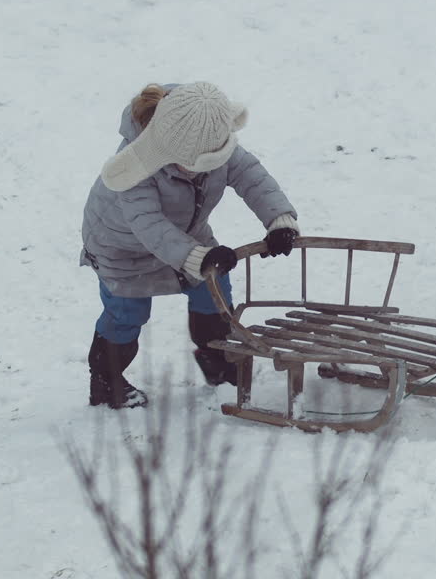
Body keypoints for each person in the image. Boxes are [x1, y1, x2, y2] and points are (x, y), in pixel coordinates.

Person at [79, 81, 299, 409]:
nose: (209, 170)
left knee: (213, 289)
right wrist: (198, 256)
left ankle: (216, 359)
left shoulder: (210, 137)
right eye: (199, 165)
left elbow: (252, 177)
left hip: (186, 232)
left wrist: (279, 220)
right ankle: (106, 382)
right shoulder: (135, 167)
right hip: (122, 246)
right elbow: (150, 227)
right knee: (127, 312)